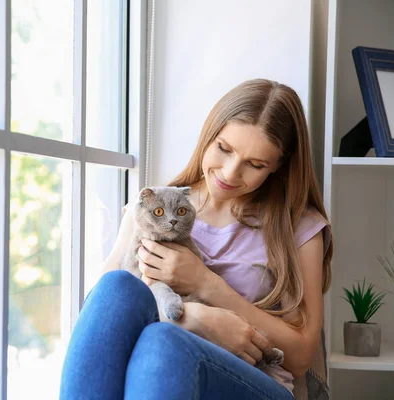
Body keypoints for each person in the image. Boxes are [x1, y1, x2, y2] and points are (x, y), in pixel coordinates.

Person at [59, 78, 333, 400]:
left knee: (164, 344)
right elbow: (105, 312)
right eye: (224, 149)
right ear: (209, 135)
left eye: (255, 164)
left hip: (255, 382)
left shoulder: (298, 227)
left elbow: (301, 356)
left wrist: (208, 285)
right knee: (118, 288)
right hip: (162, 363)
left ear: (279, 166)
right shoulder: (155, 207)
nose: (230, 173)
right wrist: (195, 318)